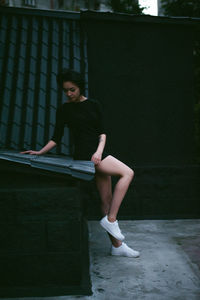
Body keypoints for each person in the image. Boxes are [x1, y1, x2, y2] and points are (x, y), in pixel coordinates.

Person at [21, 69, 140, 258]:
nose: (69, 94)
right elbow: (56, 138)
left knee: (106, 201)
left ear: (80, 88)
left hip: (97, 154)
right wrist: (39, 152)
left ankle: (117, 246)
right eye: (66, 90)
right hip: (84, 155)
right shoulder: (64, 110)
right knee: (128, 173)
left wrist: (99, 151)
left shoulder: (94, 105)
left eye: (72, 90)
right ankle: (111, 219)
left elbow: (102, 133)